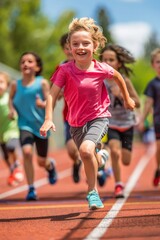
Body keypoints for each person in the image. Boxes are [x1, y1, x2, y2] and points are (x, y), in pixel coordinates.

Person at [40, 17, 135, 210]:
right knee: (89, 155)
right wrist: (48, 118)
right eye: (75, 44)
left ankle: (92, 192)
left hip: (98, 118)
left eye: (86, 43)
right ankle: (103, 158)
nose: (80, 47)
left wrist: (127, 98)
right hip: (75, 122)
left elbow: (118, 76)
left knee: (84, 150)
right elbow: (52, 94)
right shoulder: (65, 70)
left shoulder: (100, 68)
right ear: (69, 47)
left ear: (95, 45)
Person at [8, 52, 57, 201]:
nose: (25, 64)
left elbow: (50, 102)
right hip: (24, 125)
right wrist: (11, 109)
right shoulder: (15, 85)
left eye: (30, 61)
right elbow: (10, 99)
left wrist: (42, 104)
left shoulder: (42, 83)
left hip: (41, 126)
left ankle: (50, 166)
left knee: (42, 161)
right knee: (27, 152)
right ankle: (31, 189)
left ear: (37, 67)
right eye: (23, 62)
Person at [99, 44, 140, 198]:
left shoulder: (125, 81)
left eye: (112, 59)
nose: (108, 62)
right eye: (105, 59)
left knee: (126, 161)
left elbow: (138, 102)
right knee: (114, 152)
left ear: (118, 63)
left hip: (127, 124)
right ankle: (118, 185)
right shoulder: (100, 82)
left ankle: (109, 170)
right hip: (111, 123)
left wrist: (123, 95)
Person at [58, 33, 82, 183]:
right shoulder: (60, 68)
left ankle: (98, 172)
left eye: (71, 47)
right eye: (66, 48)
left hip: (88, 114)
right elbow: (55, 91)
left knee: (90, 148)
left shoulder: (85, 64)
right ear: (63, 50)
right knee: (71, 150)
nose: (69, 50)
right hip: (69, 116)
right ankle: (77, 162)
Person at [138, 48, 160, 187]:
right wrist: (142, 119)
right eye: (158, 62)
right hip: (159, 121)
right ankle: (159, 168)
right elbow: (148, 104)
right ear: (153, 65)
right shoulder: (152, 84)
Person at [0, 71, 24, 186]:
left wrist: (14, 113)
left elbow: (17, 108)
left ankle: (17, 165)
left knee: (11, 147)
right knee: (5, 155)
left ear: (7, 85)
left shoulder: (9, 98)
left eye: (1, 82)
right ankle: (12, 170)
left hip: (11, 130)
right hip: (1, 132)